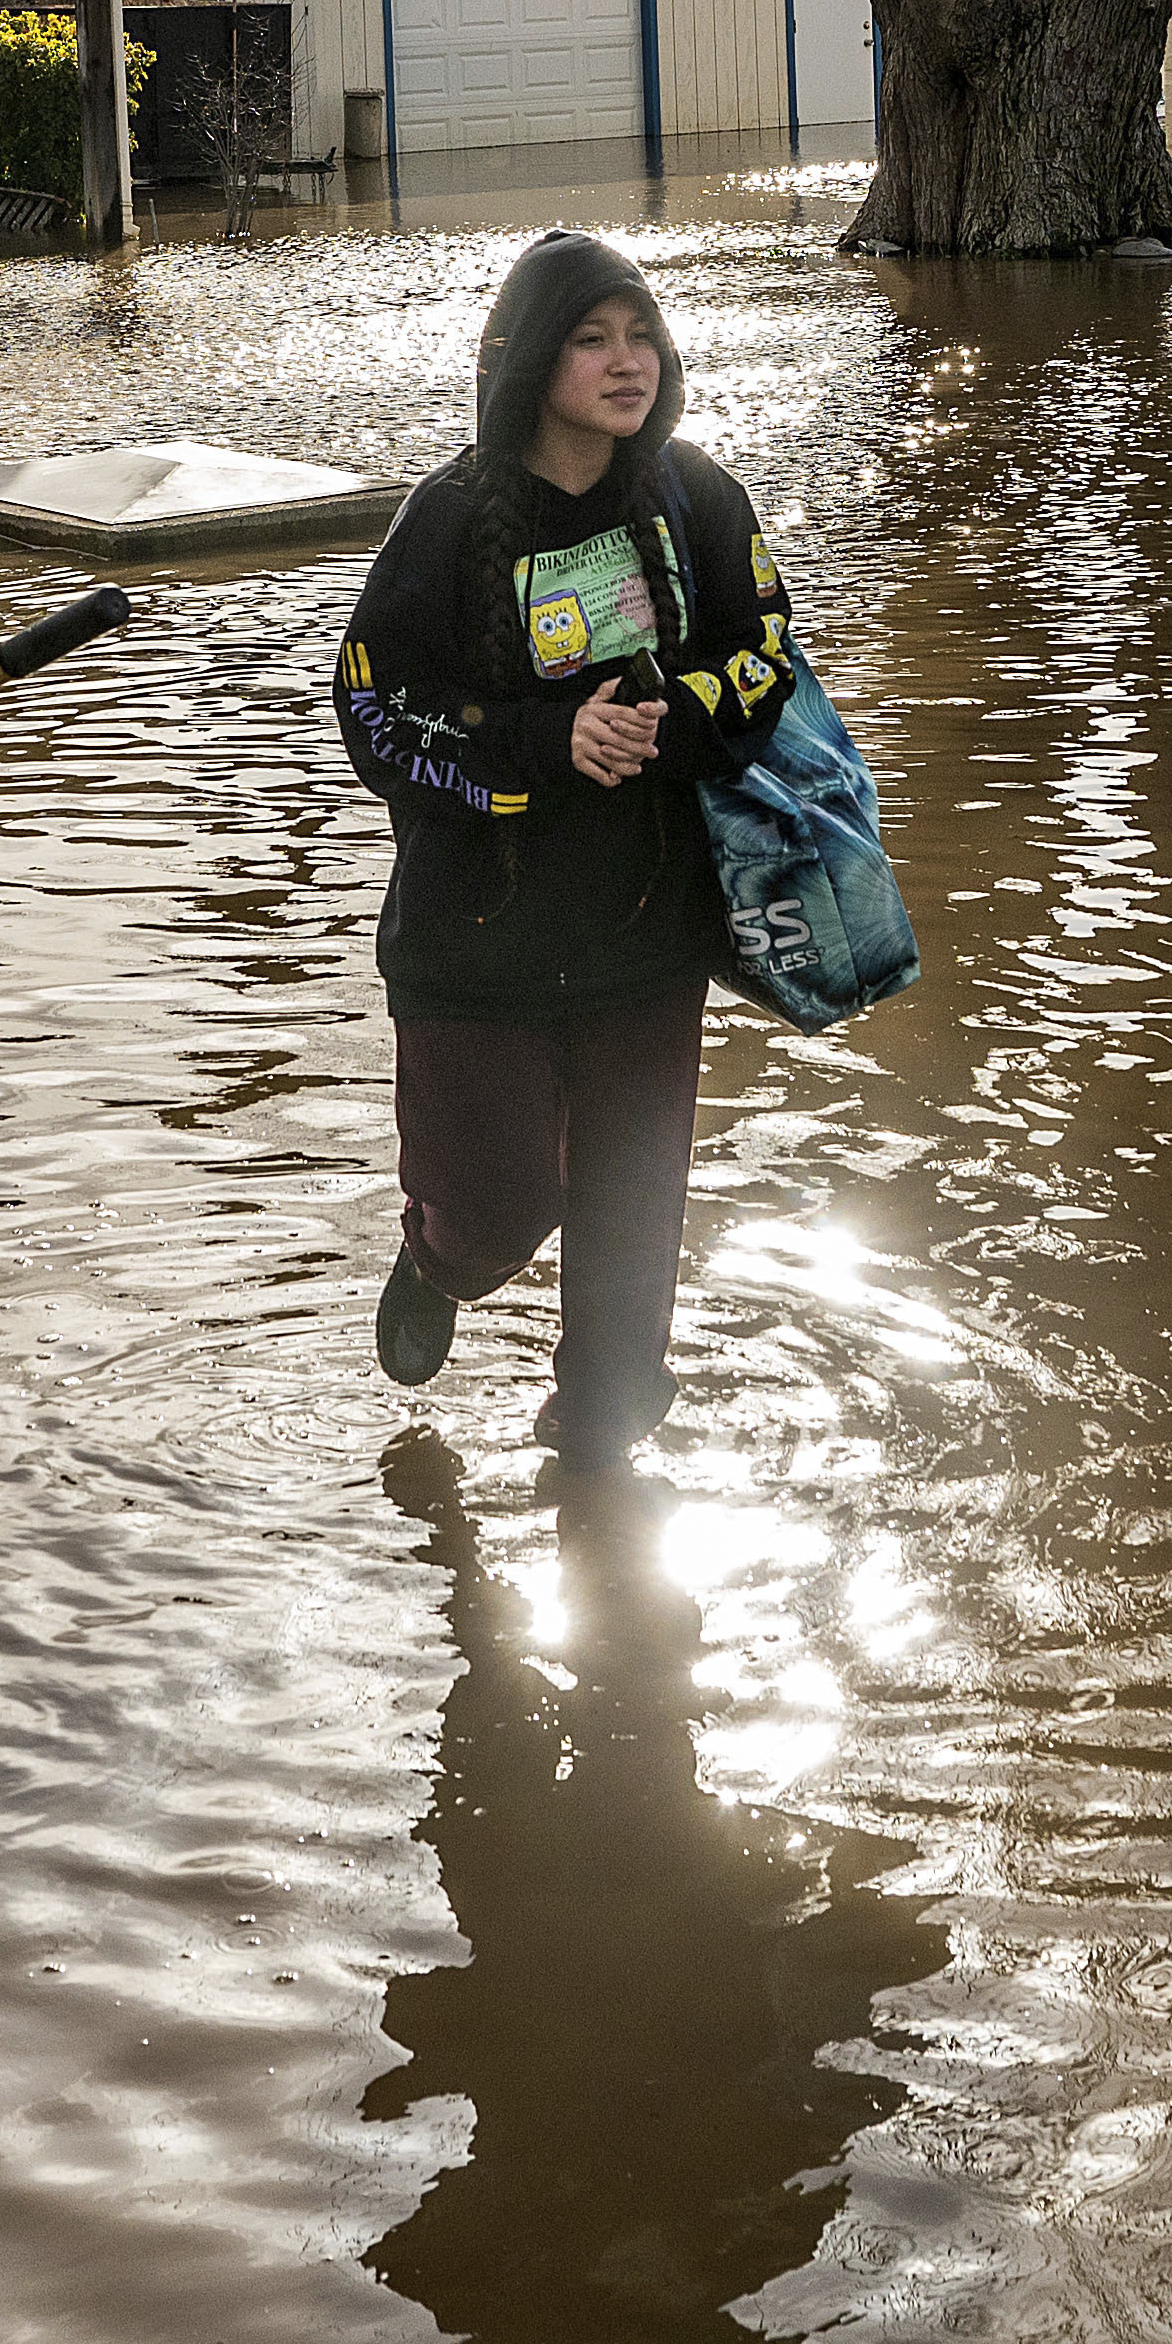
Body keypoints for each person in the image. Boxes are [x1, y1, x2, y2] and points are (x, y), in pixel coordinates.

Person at [332, 229, 802, 1461]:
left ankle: (599, 1469)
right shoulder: (445, 520)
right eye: (592, 338)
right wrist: (549, 742)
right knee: (500, 1210)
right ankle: (439, 1257)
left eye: (641, 334)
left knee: (632, 1238)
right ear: (530, 358)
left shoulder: (700, 498)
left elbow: (767, 662)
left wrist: (669, 717)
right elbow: (374, 708)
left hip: (647, 941)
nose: (625, 360)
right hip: (474, 948)